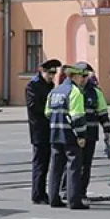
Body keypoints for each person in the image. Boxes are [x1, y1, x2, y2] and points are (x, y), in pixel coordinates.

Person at [44, 62, 89, 209]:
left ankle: (53, 198)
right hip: (70, 136)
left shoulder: (54, 91)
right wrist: (81, 136)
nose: (83, 79)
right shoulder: (74, 92)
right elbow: (77, 117)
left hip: (54, 134)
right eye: (82, 76)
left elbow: (48, 113)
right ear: (74, 76)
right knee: (73, 168)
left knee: (55, 167)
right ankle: (73, 201)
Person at [26, 58, 61, 205]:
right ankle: (37, 193)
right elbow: (34, 106)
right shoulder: (32, 86)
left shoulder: (50, 85)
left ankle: (42, 191)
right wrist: (50, 109)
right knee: (40, 163)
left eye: (54, 74)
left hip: (49, 129)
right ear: (42, 71)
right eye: (49, 73)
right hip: (39, 129)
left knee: (46, 162)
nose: (52, 76)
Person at [80, 64, 110, 201]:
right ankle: (67, 190)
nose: (83, 79)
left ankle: (81, 192)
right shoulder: (71, 91)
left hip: (90, 134)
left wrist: (107, 132)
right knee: (72, 165)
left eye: (86, 76)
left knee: (86, 165)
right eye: (81, 76)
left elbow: (103, 113)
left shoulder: (95, 92)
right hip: (74, 135)